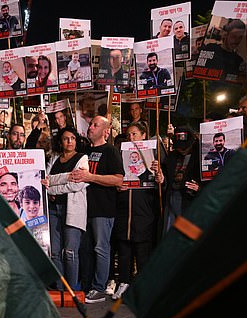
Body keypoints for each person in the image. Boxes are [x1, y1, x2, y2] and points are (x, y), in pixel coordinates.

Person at [69, 116, 124, 304]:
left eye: (95, 125)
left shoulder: (111, 151)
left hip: (103, 208)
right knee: (85, 249)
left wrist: (90, 177)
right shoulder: (84, 151)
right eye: (91, 124)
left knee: (101, 247)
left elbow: (118, 179)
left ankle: (99, 288)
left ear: (106, 131)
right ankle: (87, 284)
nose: (90, 127)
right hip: (84, 208)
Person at [111, 121, 158, 300]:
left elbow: (161, 184)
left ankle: (143, 287)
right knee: (124, 252)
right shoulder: (120, 155)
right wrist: (117, 185)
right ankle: (124, 283)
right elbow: (114, 178)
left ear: (144, 135)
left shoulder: (154, 155)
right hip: (124, 211)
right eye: (128, 135)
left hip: (143, 213)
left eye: (135, 134)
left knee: (142, 253)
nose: (131, 138)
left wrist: (160, 177)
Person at [43, 126, 89, 291]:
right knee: (55, 252)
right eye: (66, 138)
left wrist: (53, 187)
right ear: (60, 141)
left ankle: (72, 290)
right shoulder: (54, 157)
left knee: (70, 252)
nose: (70, 141)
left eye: (73, 138)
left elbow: (77, 184)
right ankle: (59, 288)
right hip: (54, 209)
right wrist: (65, 177)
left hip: (73, 210)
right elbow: (45, 181)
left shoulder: (82, 158)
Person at [151, 126, 201, 234]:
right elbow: (165, 178)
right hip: (172, 198)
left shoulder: (200, 157)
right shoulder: (172, 157)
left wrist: (199, 188)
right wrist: (162, 179)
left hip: (190, 201)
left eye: (185, 147)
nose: (182, 150)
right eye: (179, 147)